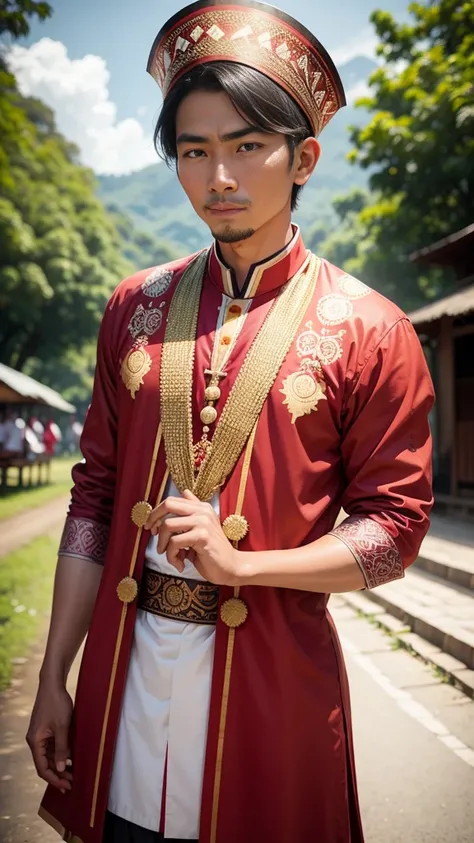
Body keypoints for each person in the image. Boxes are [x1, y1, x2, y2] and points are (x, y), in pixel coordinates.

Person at [28, 2, 434, 842]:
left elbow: (393, 532)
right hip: (123, 687)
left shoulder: (371, 329)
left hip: (272, 700)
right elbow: (94, 499)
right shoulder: (132, 307)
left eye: (249, 145)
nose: (220, 175)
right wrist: (53, 677)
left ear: (304, 157)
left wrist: (245, 566)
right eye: (194, 150)